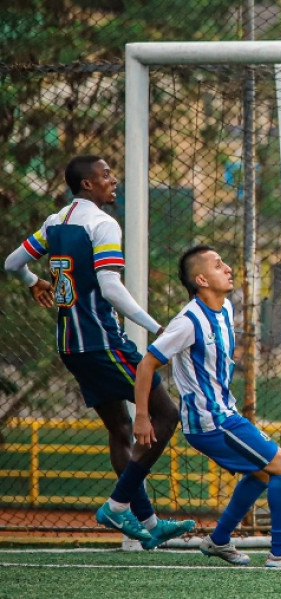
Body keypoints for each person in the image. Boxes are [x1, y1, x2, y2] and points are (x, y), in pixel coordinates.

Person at [3, 155, 194, 549]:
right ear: (87, 185)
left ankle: (150, 523)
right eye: (105, 175)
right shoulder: (102, 224)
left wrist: (32, 280)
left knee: (121, 429)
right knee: (166, 414)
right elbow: (110, 288)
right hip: (103, 342)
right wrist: (155, 326)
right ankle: (117, 504)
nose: (113, 180)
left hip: (71, 345)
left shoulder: (56, 222)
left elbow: (12, 262)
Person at [132, 245, 281, 570]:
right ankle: (280, 554)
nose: (228, 268)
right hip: (211, 422)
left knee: (263, 473)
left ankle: (219, 540)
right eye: (219, 265)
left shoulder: (226, 309)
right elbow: (147, 364)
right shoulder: (188, 320)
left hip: (225, 413)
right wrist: (141, 416)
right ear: (202, 279)